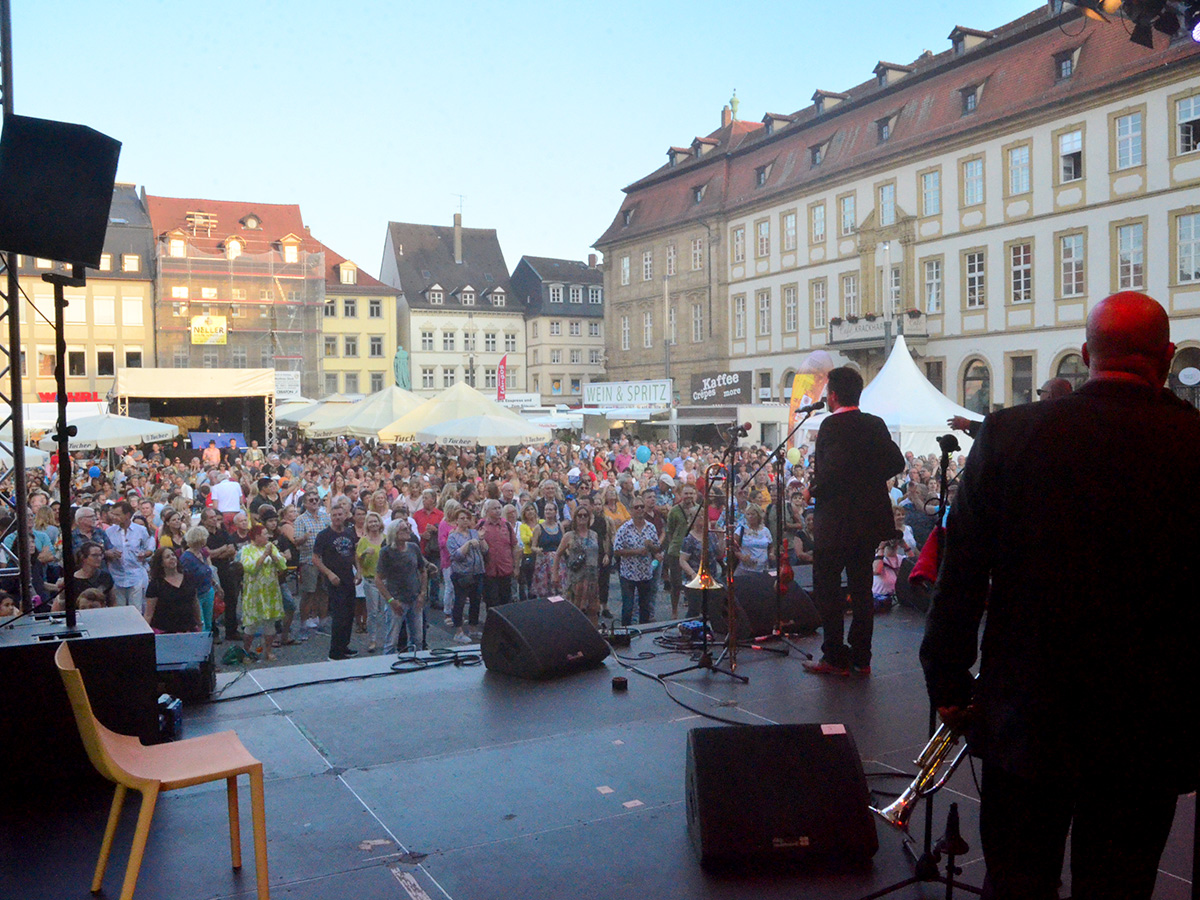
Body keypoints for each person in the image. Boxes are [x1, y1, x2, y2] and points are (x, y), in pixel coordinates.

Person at [921, 292, 1200, 900]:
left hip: (1028, 710)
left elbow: (960, 573)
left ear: (1085, 355)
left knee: (1018, 879)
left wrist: (947, 681)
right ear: (1168, 356)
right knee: (1120, 885)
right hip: (1148, 721)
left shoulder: (1011, 434)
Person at [803, 366, 905, 677]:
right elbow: (896, 461)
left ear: (833, 395)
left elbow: (832, 470)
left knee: (829, 589)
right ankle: (862, 659)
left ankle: (834, 657)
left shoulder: (831, 426)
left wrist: (812, 490)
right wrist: (868, 479)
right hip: (867, 522)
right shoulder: (875, 424)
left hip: (835, 523)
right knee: (861, 590)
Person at [312, 500, 359, 660]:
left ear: (345, 515)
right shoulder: (324, 535)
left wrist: (358, 571)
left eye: (340, 514)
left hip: (349, 578)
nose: (338, 517)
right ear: (330, 517)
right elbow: (315, 558)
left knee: (349, 614)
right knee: (339, 616)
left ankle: (344, 646)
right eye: (334, 515)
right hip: (334, 581)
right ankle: (335, 652)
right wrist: (329, 574)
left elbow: (354, 553)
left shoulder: (349, 533)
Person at [236, 525, 287, 662]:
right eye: (264, 534)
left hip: (270, 591)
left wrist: (273, 556)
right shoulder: (246, 550)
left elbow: (283, 565)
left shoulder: (271, 547)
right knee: (251, 624)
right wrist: (264, 556)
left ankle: (268, 651)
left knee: (270, 623)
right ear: (256, 536)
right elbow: (250, 568)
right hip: (254, 592)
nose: (268, 536)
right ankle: (246, 652)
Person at [375, 519, 427, 654]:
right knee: (391, 641)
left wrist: (422, 593)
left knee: (418, 639)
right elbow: (378, 579)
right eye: (404, 529)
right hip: (397, 601)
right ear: (395, 533)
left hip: (415, 599)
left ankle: (415, 661)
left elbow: (423, 570)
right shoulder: (386, 552)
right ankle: (387, 664)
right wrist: (391, 600)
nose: (408, 530)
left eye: (408, 527)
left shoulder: (413, 548)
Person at [612, 495, 659, 626]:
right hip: (628, 574)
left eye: (642, 507)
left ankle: (644, 632)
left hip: (645, 573)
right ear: (631, 510)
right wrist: (636, 552)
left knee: (645, 608)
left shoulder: (651, 527)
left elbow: (657, 548)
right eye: (636, 507)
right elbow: (616, 550)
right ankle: (625, 632)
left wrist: (651, 546)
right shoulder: (624, 528)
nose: (639, 509)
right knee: (628, 607)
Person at [554, 505, 600, 627]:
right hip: (576, 578)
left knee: (593, 609)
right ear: (575, 518)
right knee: (575, 608)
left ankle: (594, 633)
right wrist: (555, 574)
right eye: (580, 515)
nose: (583, 517)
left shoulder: (594, 535)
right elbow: (558, 554)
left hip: (592, 577)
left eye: (585, 515)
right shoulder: (569, 536)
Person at [105, 500, 154, 612]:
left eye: (118, 515)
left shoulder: (140, 530)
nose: (114, 517)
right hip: (116, 575)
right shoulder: (109, 531)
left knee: (136, 609)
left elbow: (150, 547)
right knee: (119, 610)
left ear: (127, 515)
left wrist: (145, 554)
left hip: (136, 574)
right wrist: (108, 553)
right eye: (113, 514)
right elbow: (104, 550)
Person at [446, 508, 486, 643]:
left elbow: (485, 550)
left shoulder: (474, 532)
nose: (465, 521)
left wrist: (481, 539)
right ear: (456, 521)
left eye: (467, 518)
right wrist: (468, 544)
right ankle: (458, 631)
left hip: (477, 572)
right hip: (462, 574)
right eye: (462, 518)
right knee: (460, 601)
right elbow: (457, 556)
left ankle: (473, 628)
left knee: (476, 601)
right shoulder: (452, 537)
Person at [144, 547, 202, 634]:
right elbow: (149, 614)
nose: (172, 558)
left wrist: (199, 623)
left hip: (188, 629)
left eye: (173, 555)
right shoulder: (156, 584)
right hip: (165, 632)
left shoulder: (188, 577)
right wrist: (145, 634)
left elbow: (195, 602)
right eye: (167, 557)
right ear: (161, 563)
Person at [478, 499, 516, 612]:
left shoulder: (507, 526)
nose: (498, 511)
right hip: (488, 570)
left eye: (499, 508)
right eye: (494, 508)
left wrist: (516, 566)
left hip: (505, 568)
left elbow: (514, 546)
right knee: (491, 602)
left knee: (506, 600)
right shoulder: (481, 525)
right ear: (487, 510)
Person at [357, 512, 387, 653]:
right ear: (367, 525)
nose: (374, 524)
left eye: (376, 521)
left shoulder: (386, 539)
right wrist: (364, 554)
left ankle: (387, 639)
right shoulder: (363, 541)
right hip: (370, 580)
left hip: (386, 580)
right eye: (371, 522)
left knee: (386, 611)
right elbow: (358, 559)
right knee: (373, 612)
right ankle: (372, 640)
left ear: (380, 523)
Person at [529, 501, 563, 600]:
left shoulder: (560, 526)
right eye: (546, 510)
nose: (548, 512)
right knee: (545, 591)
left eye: (550, 509)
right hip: (544, 563)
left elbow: (563, 543)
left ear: (555, 512)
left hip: (558, 562)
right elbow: (533, 546)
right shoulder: (538, 528)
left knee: (559, 589)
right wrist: (538, 550)